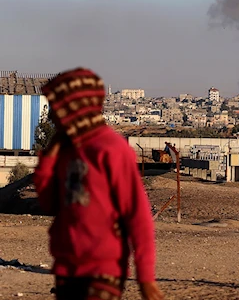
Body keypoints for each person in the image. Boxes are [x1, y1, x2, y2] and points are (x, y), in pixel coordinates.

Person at [32, 68, 164, 300]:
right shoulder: (66, 151)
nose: (51, 116)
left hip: (103, 270)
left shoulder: (111, 149)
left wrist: (145, 278)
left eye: (56, 108)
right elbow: (49, 203)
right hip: (67, 267)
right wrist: (49, 158)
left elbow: (137, 215)